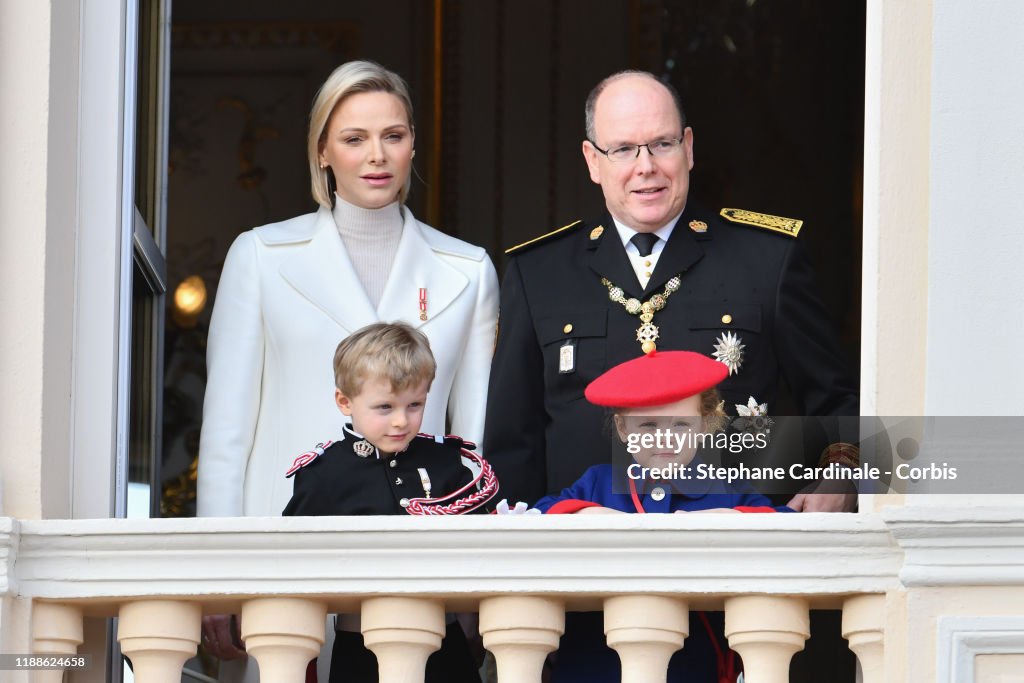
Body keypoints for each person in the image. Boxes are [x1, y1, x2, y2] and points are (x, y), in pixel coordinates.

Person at [197, 60, 498, 675]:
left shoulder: (468, 270)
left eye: (393, 135)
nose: (376, 156)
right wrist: (217, 572)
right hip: (283, 553)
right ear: (323, 151)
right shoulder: (260, 255)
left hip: (422, 567)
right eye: (354, 138)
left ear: (413, 144)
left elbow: (475, 438)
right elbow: (227, 430)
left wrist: (478, 579)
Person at [484, 69, 858, 512]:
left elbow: (839, 399)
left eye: (662, 144)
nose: (646, 166)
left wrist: (844, 477)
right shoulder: (539, 272)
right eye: (623, 149)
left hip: (738, 540)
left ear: (689, 148)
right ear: (592, 161)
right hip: (584, 545)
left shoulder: (767, 260)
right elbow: (513, 441)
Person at [536, 349, 790, 683]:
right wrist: (585, 511)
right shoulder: (598, 482)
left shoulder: (726, 488)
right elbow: (540, 513)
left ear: (704, 424)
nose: (665, 438)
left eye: (681, 424)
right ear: (623, 428)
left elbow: (784, 524)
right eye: (648, 425)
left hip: (692, 667)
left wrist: (732, 517)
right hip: (595, 665)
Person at [284, 322, 497, 682]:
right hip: (360, 648)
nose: (401, 420)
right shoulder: (324, 474)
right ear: (345, 401)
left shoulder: (445, 462)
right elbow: (292, 563)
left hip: (444, 645)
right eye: (384, 407)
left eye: (415, 405)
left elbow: (482, 546)